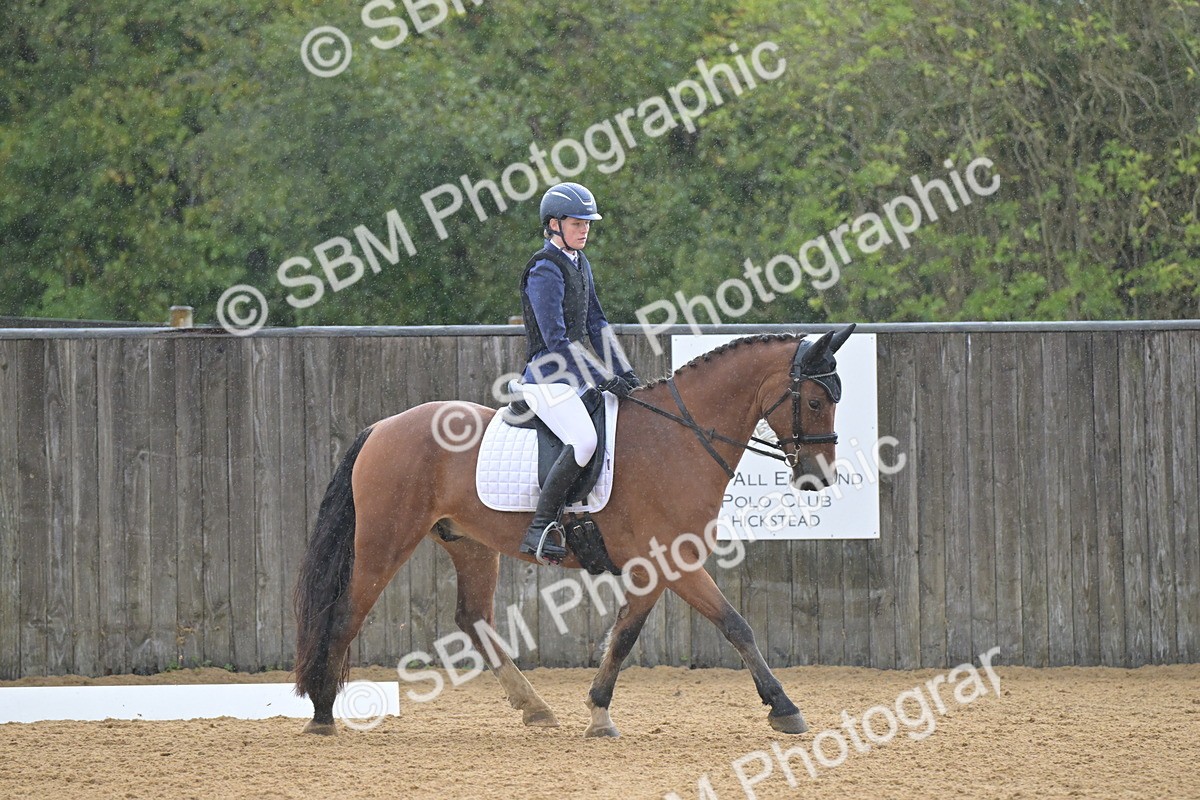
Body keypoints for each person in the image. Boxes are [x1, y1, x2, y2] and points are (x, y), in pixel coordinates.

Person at [515, 182, 641, 564]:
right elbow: (556, 339)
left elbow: (596, 323)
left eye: (587, 223)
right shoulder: (544, 269)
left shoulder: (579, 262)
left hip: (572, 373)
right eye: (577, 222)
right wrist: (602, 378)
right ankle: (540, 527)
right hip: (545, 374)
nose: (585, 229)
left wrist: (626, 373)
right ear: (554, 224)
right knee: (584, 442)